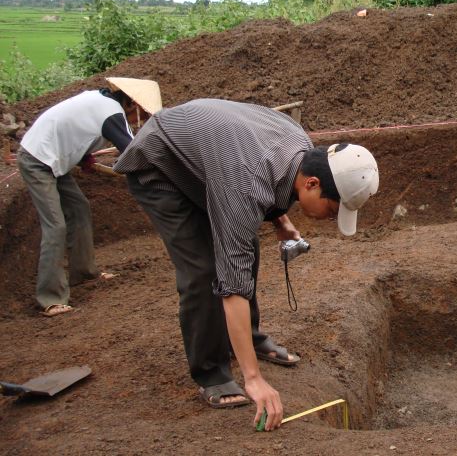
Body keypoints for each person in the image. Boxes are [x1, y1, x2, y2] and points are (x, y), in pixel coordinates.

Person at [113, 98, 379, 431]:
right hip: (162, 165)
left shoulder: (303, 151)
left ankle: (249, 338)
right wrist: (254, 379)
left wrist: (280, 220)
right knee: (204, 269)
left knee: (245, 243)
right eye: (332, 208)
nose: (330, 218)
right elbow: (232, 280)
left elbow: (266, 177)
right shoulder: (245, 184)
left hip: (214, 163)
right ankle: (212, 372)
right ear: (311, 184)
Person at [17, 77, 162, 317]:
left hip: (55, 159)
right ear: (131, 104)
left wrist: (83, 155)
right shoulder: (112, 113)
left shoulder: (100, 101)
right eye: (143, 114)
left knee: (80, 208)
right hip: (38, 160)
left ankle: (83, 272)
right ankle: (50, 298)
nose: (142, 120)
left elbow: (75, 129)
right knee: (56, 226)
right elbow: (133, 152)